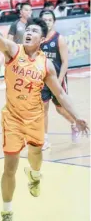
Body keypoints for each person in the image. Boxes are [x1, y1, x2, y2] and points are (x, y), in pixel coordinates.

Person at [0, 0, 89, 221]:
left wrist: (77, 116)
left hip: (35, 118)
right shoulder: (12, 50)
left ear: (42, 40)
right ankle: (7, 210)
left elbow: (61, 95)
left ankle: (35, 174)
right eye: (28, 29)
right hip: (12, 119)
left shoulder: (47, 66)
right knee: (10, 167)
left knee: (35, 156)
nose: (29, 32)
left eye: (35, 31)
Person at [39, 10, 80, 149]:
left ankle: (74, 124)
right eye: (45, 20)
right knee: (43, 109)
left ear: (54, 22)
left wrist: (59, 80)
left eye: (50, 20)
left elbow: (65, 62)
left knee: (60, 109)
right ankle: (45, 139)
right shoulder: (37, 38)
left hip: (57, 78)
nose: (47, 22)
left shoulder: (59, 38)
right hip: (42, 80)